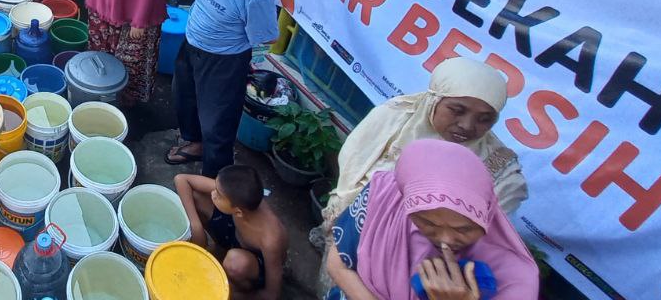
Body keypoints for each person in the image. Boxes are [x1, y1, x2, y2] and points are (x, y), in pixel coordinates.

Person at [323, 57, 528, 226]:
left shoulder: (498, 165)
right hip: (352, 224)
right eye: (457, 110)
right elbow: (352, 168)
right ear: (434, 100)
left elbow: (484, 226)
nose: (467, 125)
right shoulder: (397, 117)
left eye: (485, 119)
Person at [325, 139, 539, 300]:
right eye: (428, 223)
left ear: (487, 213)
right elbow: (338, 264)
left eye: (464, 229)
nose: (445, 239)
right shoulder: (385, 196)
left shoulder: (515, 280)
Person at [167, 0, 277, 176]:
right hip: (191, 46)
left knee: (216, 125)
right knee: (184, 98)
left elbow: (265, 36)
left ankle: (216, 186)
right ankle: (194, 143)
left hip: (223, 63)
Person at [176, 166, 287, 300]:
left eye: (218, 194)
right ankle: (219, 252)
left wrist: (224, 294)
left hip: (253, 265)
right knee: (195, 198)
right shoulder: (235, 194)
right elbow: (181, 179)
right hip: (233, 234)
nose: (213, 194)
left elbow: (271, 295)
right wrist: (196, 226)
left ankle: (236, 286)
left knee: (235, 262)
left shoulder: (271, 239)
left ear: (238, 211)